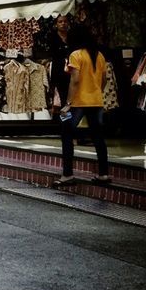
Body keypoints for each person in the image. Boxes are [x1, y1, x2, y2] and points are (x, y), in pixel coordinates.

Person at [54, 23, 111, 187]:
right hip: (96, 101)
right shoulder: (99, 55)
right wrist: (97, 92)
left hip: (76, 103)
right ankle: (103, 174)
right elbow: (104, 79)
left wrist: (68, 104)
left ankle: (67, 174)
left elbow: (75, 80)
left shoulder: (75, 55)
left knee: (66, 132)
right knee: (98, 136)